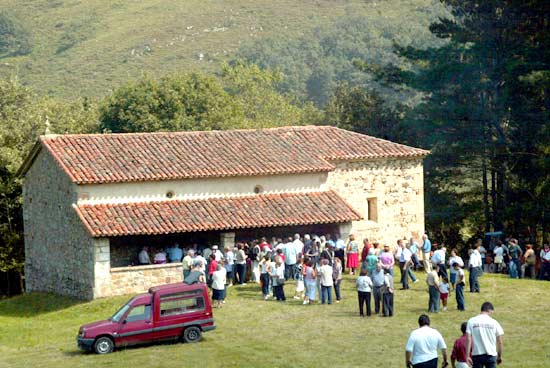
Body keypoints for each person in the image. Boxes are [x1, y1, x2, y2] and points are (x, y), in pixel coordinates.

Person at [466, 302, 504, 368]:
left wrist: (467, 355)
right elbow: (499, 342)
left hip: (477, 354)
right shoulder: (494, 322)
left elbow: (468, 339)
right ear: (489, 310)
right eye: (492, 312)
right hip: (491, 355)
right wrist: (499, 356)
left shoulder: (471, 321)